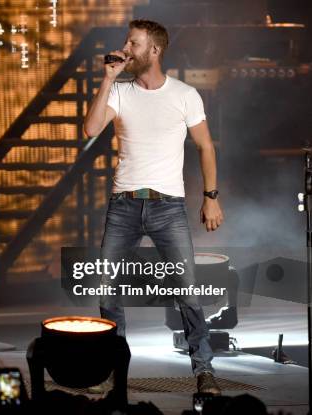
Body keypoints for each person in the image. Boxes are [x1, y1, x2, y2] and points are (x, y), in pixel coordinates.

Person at [83, 19, 224, 395]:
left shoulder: (184, 94)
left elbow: (205, 147)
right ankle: (117, 371)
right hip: (124, 205)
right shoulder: (120, 91)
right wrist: (108, 79)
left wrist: (210, 198)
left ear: (154, 51)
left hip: (168, 207)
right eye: (127, 42)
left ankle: (204, 370)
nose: (125, 49)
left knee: (188, 291)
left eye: (133, 43)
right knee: (108, 289)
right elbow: (91, 128)